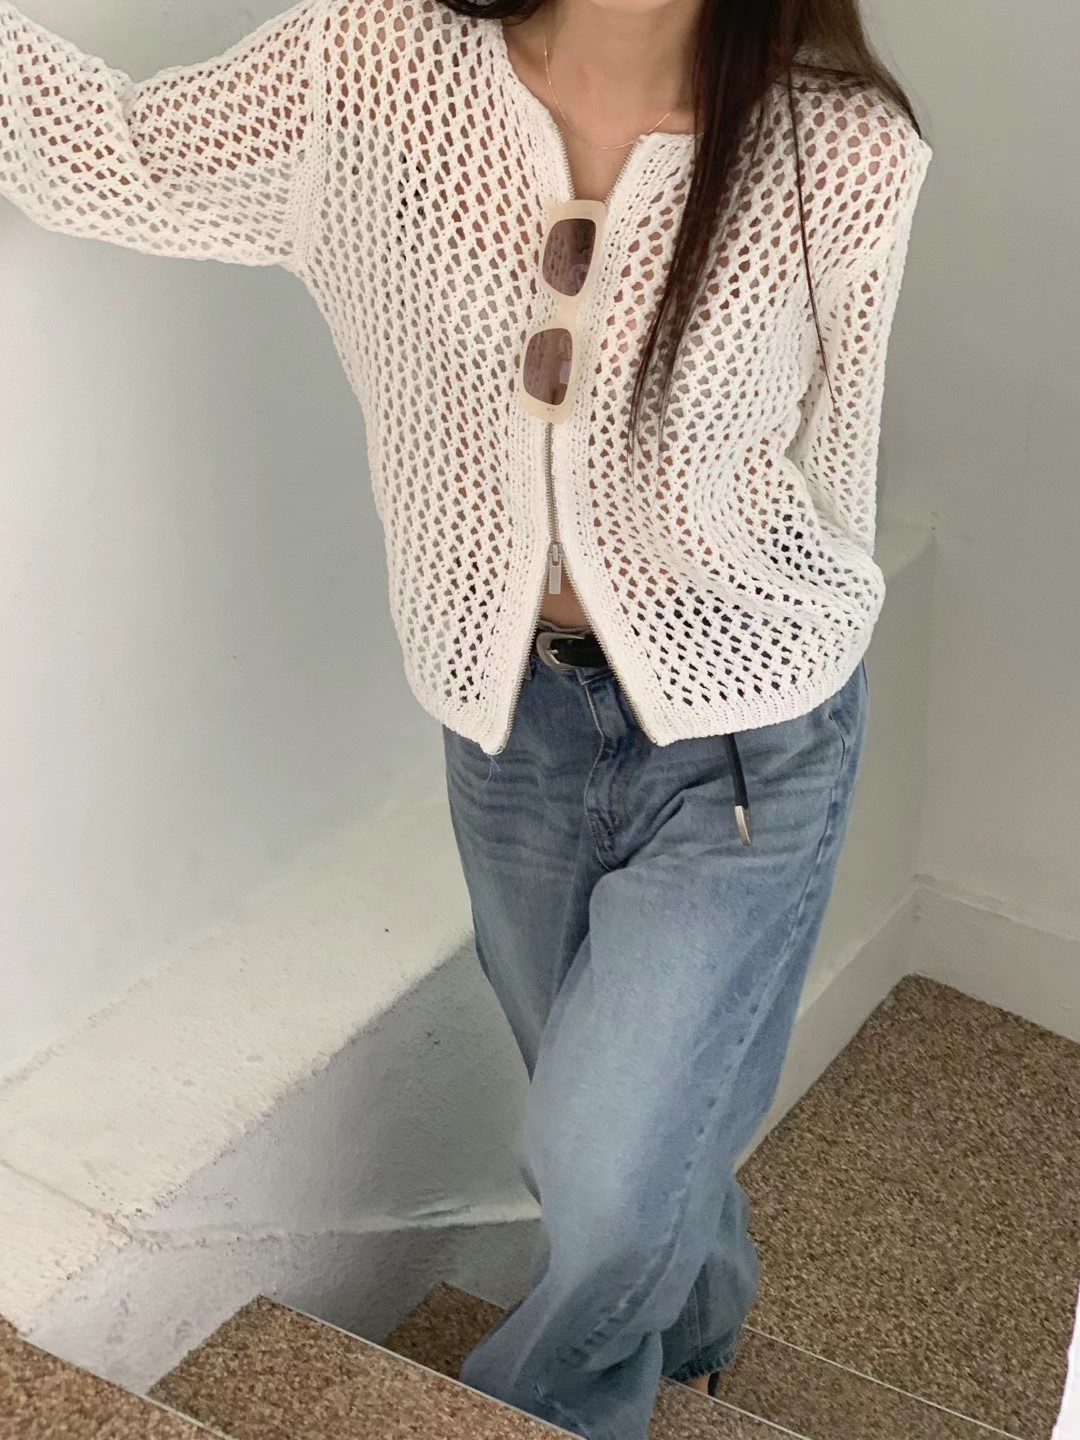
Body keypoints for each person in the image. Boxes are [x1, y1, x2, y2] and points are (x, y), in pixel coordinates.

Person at [0, 1, 932, 1437]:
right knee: (613, 1127)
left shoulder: (844, 153)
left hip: (750, 744)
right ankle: (697, 1326)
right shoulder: (372, 66)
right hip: (512, 728)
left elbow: (836, 471)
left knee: (605, 1157)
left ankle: (538, 1408)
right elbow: (111, 155)